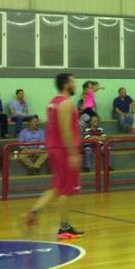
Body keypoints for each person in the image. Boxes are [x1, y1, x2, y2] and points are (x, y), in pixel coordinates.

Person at [23, 73, 85, 239]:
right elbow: (65, 131)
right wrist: (72, 153)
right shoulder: (65, 104)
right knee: (67, 189)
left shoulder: (53, 102)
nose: (75, 84)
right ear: (65, 84)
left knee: (57, 187)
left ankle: (33, 212)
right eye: (72, 82)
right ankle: (64, 228)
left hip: (55, 147)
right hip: (63, 149)